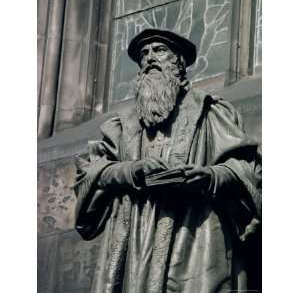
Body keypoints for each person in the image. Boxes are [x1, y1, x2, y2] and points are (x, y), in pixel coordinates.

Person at [73, 28, 261, 293]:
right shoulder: (121, 126)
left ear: (179, 62)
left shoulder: (210, 113)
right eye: (144, 54)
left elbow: (247, 170)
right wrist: (131, 171)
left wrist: (209, 177)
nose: (150, 58)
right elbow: (90, 172)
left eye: (159, 50)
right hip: (136, 240)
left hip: (195, 234)